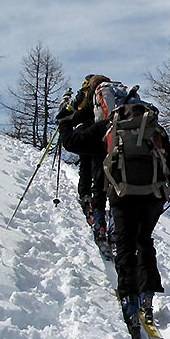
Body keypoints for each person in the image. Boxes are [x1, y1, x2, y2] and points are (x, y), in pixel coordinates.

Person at [60, 78, 170, 339]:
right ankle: (147, 294)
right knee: (143, 240)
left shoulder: (109, 126)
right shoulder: (154, 129)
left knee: (125, 243)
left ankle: (129, 299)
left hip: (122, 191)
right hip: (153, 194)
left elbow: (71, 142)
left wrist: (65, 120)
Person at [57, 74, 111, 246]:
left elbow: (72, 115)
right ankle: (110, 221)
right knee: (105, 179)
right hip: (111, 139)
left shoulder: (87, 95)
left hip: (88, 135)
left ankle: (87, 200)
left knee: (87, 169)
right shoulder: (113, 97)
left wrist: (64, 120)